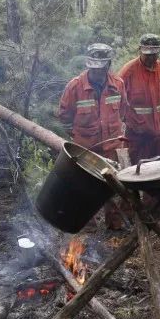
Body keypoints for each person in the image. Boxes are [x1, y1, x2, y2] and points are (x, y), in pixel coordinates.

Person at [58, 43, 127, 229]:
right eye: (93, 68)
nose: (96, 72)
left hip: (111, 146)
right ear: (88, 65)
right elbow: (64, 116)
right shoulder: (74, 87)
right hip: (85, 146)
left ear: (108, 65)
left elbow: (122, 111)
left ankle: (114, 223)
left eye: (100, 68)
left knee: (113, 186)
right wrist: (77, 136)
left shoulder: (118, 85)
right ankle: (87, 223)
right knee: (84, 185)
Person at [117, 34, 160, 164]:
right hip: (138, 132)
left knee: (158, 164)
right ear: (140, 50)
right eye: (147, 54)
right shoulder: (128, 72)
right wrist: (128, 119)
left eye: (154, 54)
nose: (151, 57)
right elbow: (118, 101)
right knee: (138, 167)